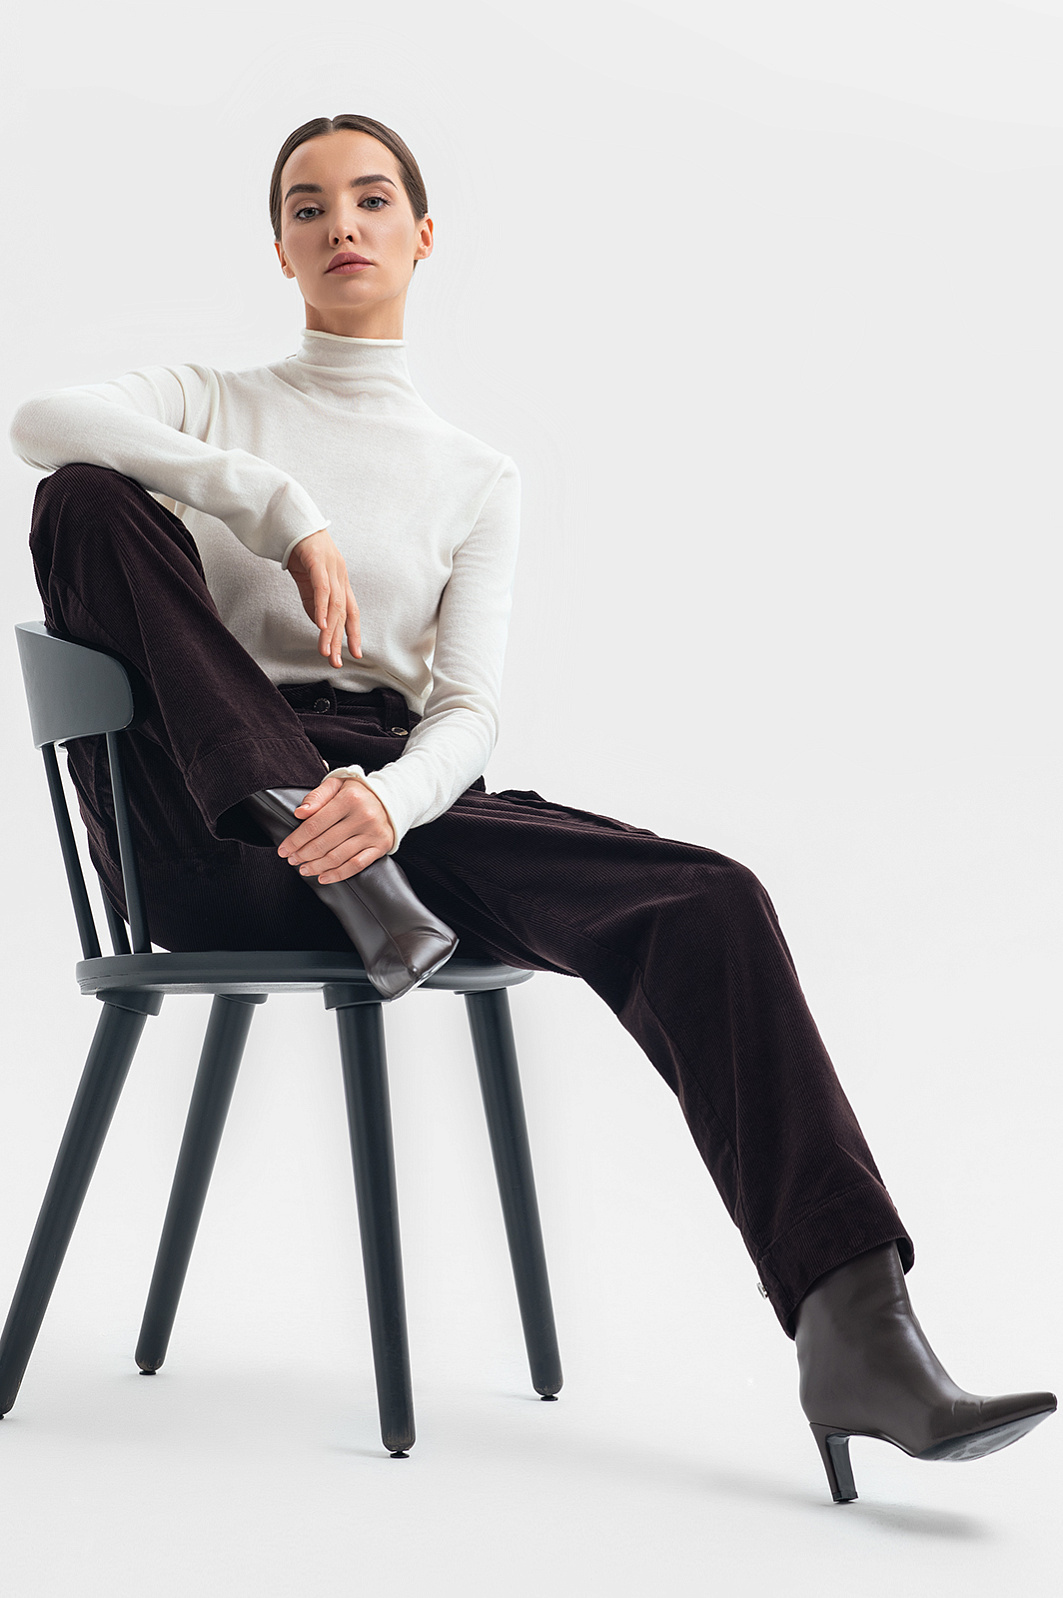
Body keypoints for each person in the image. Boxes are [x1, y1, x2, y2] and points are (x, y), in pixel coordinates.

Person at [10, 113, 1055, 1503]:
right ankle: (308, 828)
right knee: (87, 497)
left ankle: (860, 1334)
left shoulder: (475, 475)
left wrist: (388, 806)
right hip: (208, 826)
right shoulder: (207, 403)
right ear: (280, 248)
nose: (341, 224)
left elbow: (468, 712)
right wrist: (276, 507)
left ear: (423, 234)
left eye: (372, 199)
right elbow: (37, 418)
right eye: (308, 207)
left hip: (391, 819)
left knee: (709, 898)